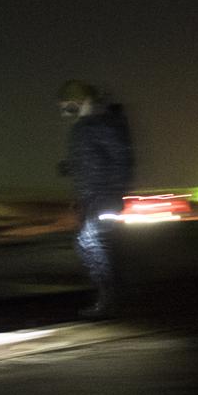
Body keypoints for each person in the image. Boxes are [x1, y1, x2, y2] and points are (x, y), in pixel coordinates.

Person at [56, 79, 134, 318]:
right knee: (95, 245)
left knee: (88, 242)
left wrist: (114, 195)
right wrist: (70, 167)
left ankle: (109, 300)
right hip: (91, 197)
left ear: (83, 102)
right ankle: (114, 297)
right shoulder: (86, 126)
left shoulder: (100, 125)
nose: (65, 110)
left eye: (69, 104)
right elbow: (93, 159)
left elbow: (122, 160)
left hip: (103, 197)